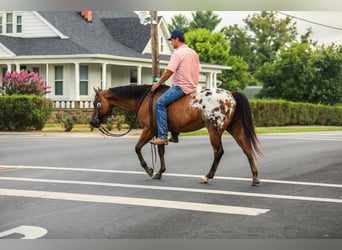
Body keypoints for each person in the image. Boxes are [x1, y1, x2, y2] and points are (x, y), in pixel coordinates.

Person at [150, 30, 200, 145]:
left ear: (177, 39)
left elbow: (169, 72)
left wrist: (158, 83)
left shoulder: (177, 53)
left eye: (171, 40)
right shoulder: (193, 53)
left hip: (181, 87)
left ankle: (162, 136)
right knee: (171, 105)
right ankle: (175, 135)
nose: (171, 43)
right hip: (193, 87)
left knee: (160, 103)